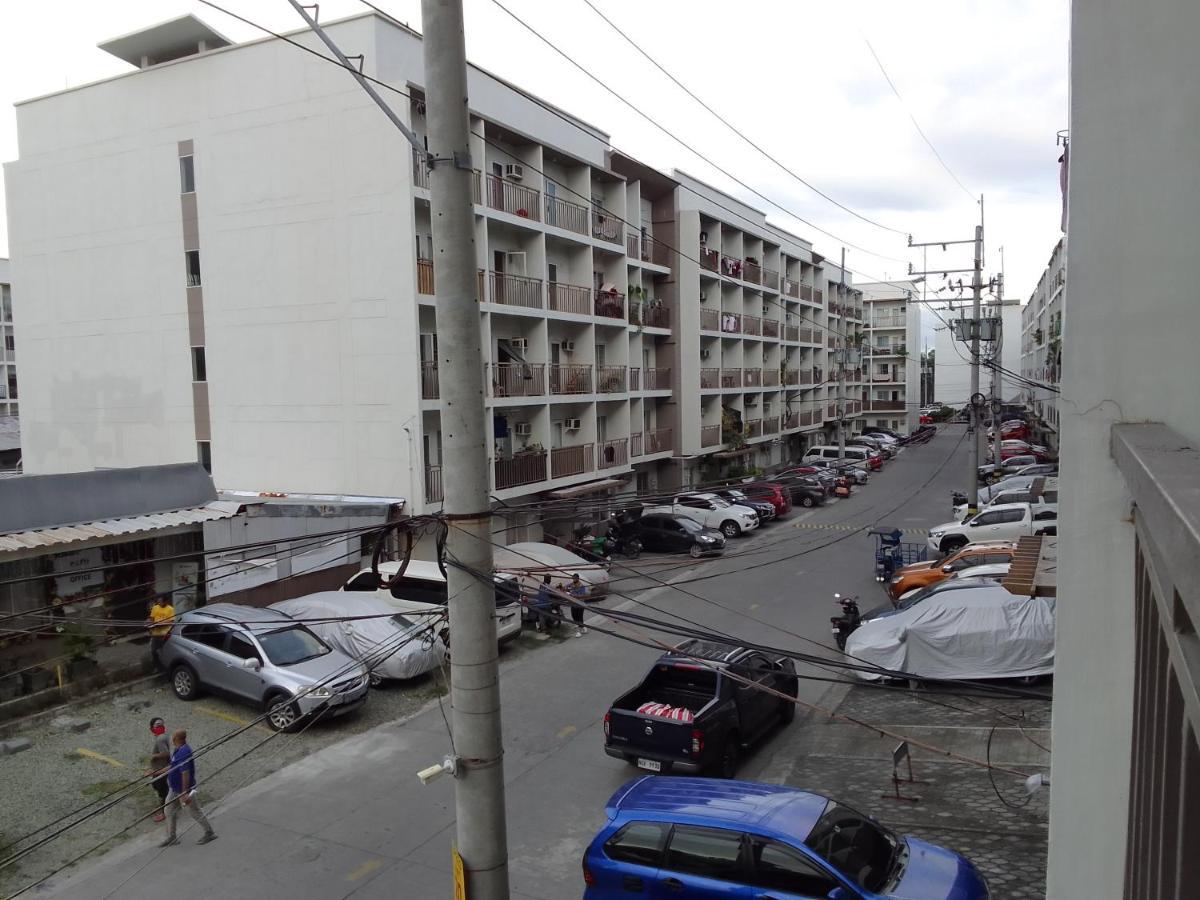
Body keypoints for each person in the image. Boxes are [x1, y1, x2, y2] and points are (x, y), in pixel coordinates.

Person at [160, 729, 217, 847]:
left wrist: (185, 792)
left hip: (183, 790)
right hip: (174, 788)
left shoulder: (183, 752)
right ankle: (172, 837)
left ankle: (209, 832)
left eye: (173, 737)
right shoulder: (178, 749)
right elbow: (173, 766)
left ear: (176, 739)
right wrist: (158, 773)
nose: (171, 738)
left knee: (194, 811)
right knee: (169, 810)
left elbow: (185, 772)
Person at [146, 717, 171, 823]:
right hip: (160, 769)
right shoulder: (162, 736)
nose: (160, 727)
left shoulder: (160, 739)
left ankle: (165, 812)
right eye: (157, 725)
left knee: (162, 791)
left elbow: (165, 753)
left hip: (161, 770)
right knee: (160, 788)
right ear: (152, 728)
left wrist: (154, 756)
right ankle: (165, 807)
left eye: (161, 725)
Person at [145, 596, 175, 671]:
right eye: (158, 601)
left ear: (165, 601)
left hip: (165, 634)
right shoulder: (155, 608)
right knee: (154, 651)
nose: (159, 603)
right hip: (155, 633)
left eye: (161, 601)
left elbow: (171, 621)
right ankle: (157, 667)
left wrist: (159, 624)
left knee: (164, 651)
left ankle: (167, 667)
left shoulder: (170, 609)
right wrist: (148, 622)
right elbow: (151, 618)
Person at [567, 573, 589, 638]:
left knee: (579, 617)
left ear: (577, 579)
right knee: (574, 616)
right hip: (573, 604)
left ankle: (579, 632)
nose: (573, 580)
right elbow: (567, 586)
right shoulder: (572, 584)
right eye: (573, 578)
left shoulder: (581, 586)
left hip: (580, 604)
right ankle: (583, 627)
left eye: (574, 579)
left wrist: (571, 595)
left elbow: (581, 595)